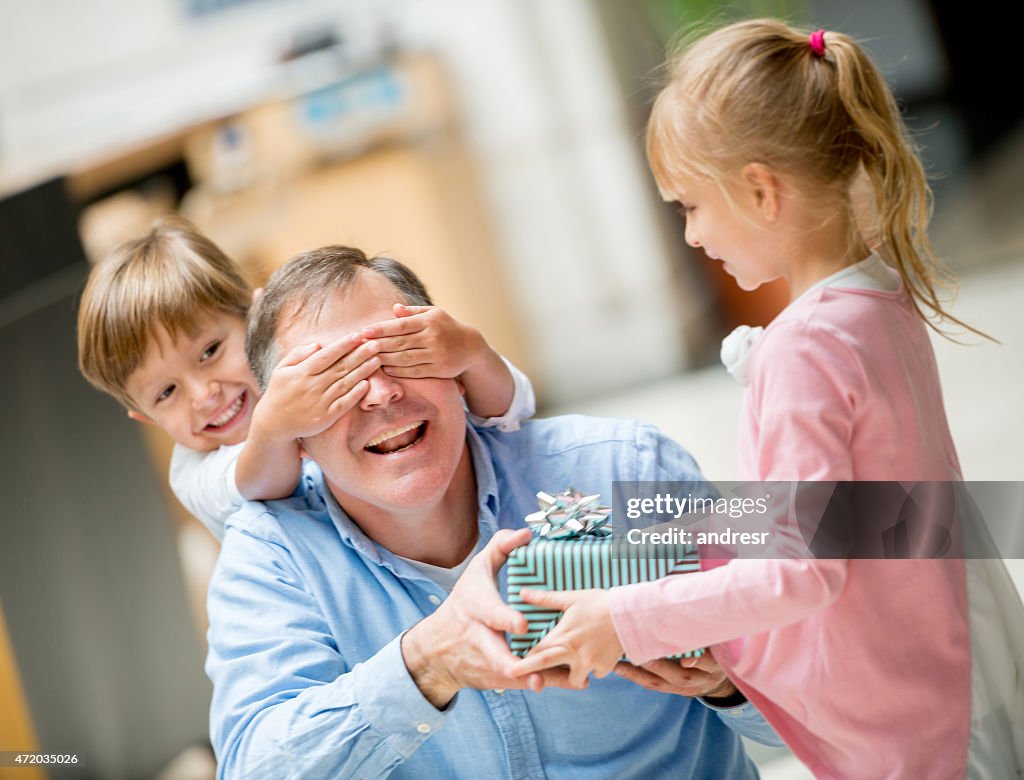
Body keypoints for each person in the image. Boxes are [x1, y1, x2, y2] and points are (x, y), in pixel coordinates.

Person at [512, 19, 1024, 779]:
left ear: (759, 190)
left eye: (688, 205)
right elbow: (873, 509)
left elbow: (801, 569)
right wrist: (671, 530)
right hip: (960, 650)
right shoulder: (875, 301)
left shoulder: (805, 346)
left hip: (914, 718)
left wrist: (623, 617)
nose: (688, 236)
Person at [204, 245, 782, 778]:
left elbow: (830, 672)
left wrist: (733, 680)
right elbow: (255, 768)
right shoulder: (270, 558)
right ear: (293, 437)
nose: (379, 393)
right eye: (332, 381)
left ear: (456, 370)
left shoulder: (622, 467)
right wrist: (426, 663)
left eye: (402, 353)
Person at [77, 215, 533, 539]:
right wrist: (277, 426)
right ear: (146, 419)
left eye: (210, 351)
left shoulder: (595, 457)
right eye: (166, 392)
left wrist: (471, 355)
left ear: (256, 322)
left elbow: (511, 412)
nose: (203, 394)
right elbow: (262, 484)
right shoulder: (196, 472)